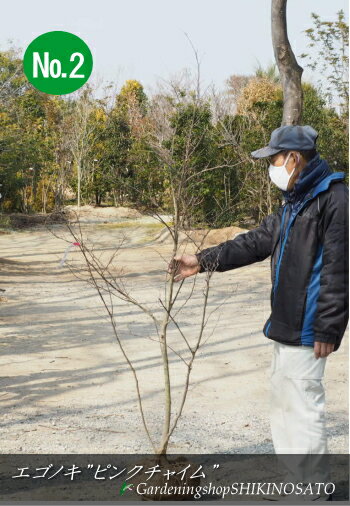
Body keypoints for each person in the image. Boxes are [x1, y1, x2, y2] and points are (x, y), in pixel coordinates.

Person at [167, 125, 349, 500]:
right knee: (283, 406)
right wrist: (201, 261)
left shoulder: (335, 200)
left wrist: (328, 329)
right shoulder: (295, 202)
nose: (272, 166)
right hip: (285, 322)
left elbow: (339, 270)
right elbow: (256, 242)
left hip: (309, 326)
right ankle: (298, 483)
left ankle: (312, 491)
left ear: (294, 158)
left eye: (275, 159)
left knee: (301, 406)